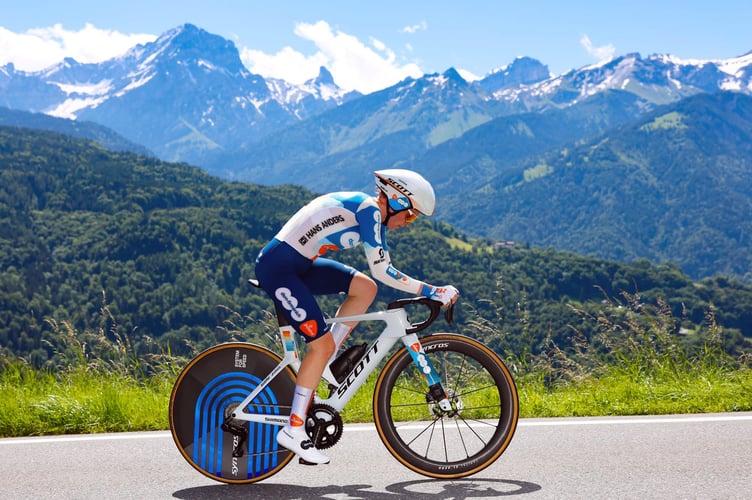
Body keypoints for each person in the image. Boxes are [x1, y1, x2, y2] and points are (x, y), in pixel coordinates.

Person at [254, 169, 460, 464]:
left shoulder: (371, 212)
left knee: (364, 289)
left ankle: (326, 358)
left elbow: (377, 273)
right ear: (397, 201)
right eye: (410, 216)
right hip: (279, 269)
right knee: (320, 343)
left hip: (298, 265)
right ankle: (293, 428)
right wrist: (433, 290)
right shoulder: (371, 212)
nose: (407, 224)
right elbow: (383, 269)